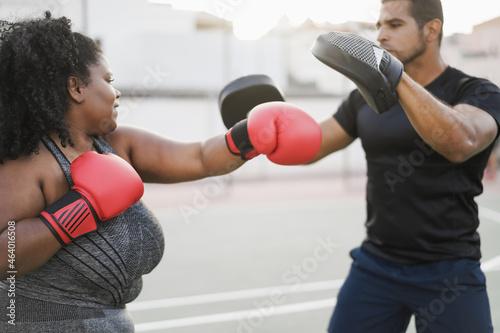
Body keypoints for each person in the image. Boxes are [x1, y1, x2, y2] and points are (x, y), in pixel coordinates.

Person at [0, 12, 321, 332]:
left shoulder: (117, 144)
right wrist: (79, 208)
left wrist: (250, 136)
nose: (118, 92)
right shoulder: (31, 162)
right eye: (109, 80)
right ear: (75, 87)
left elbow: (200, 157)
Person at [306, 0, 500, 332]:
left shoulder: (477, 92)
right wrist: (256, 131)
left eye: (394, 25)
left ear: (431, 30)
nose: (381, 36)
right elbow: (309, 148)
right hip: (376, 267)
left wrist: (391, 73)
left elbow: (460, 142)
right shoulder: (362, 99)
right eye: (379, 26)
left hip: (450, 272)